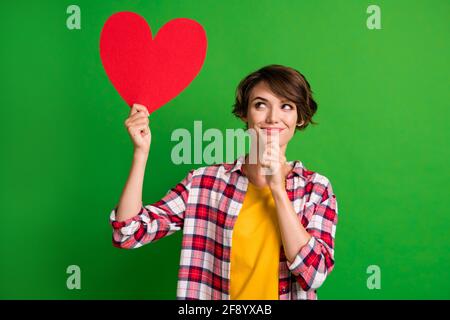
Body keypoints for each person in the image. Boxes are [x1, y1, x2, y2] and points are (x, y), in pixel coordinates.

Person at [109, 64, 339, 300]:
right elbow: (128, 233)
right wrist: (140, 153)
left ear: (300, 118)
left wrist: (278, 190)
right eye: (260, 105)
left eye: (286, 106)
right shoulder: (205, 183)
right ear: (244, 113)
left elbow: (314, 275)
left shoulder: (316, 190)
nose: (272, 117)